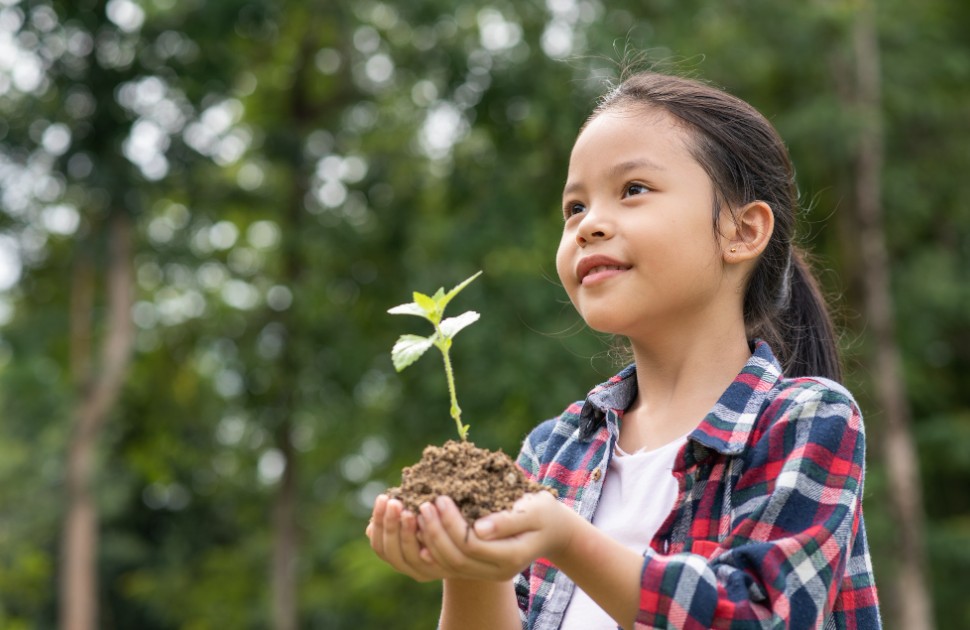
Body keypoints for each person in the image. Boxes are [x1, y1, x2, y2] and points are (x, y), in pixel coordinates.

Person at [366, 70, 882, 630]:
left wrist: (567, 540)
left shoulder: (806, 418)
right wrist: (469, 561)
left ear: (742, 230)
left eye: (633, 189)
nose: (588, 226)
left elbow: (759, 617)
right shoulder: (554, 451)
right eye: (574, 208)